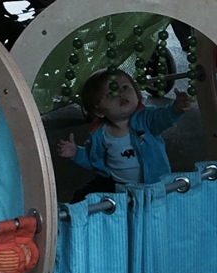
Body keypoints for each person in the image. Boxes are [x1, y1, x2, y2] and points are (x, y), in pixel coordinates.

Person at [56, 67, 190, 193]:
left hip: (154, 184)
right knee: (82, 196)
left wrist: (175, 109)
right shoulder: (100, 134)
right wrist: (76, 153)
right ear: (98, 111)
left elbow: (162, 118)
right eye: (111, 93)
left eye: (125, 87)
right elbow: (94, 159)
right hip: (119, 186)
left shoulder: (146, 119)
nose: (120, 93)